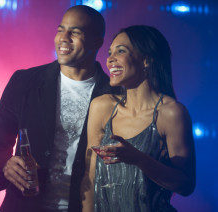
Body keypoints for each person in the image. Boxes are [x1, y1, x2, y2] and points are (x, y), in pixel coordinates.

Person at [0, 5, 114, 212]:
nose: (63, 37)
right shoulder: (25, 81)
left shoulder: (115, 94)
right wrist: (5, 164)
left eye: (75, 32)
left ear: (97, 41)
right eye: (61, 29)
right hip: (24, 205)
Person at [81, 25, 196, 212]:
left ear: (146, 60)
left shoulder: (171, 113)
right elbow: (90, 175)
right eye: (110, 52)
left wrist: (138, 159)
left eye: (121, 51)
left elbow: (185, 185)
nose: (110, 60)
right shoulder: (102, 106)